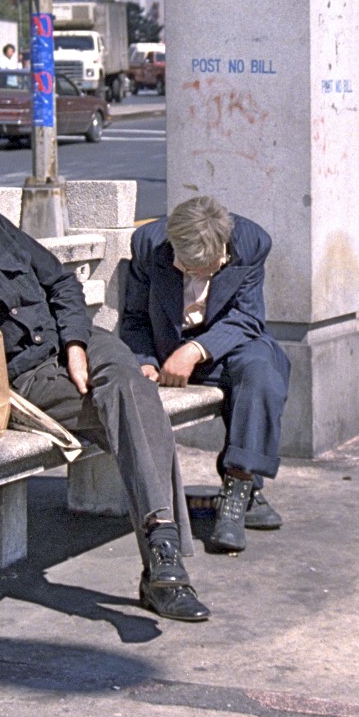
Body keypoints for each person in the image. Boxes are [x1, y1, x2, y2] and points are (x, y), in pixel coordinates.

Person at [0, 193, 210, 623]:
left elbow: (61, 283)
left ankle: (163, 553)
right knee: (138, 414)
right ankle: (165, 559)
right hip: (30, 380)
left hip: (78, 342)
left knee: (129, 386)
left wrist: (74, 344)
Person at [120, 196, 291, 555]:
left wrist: (197, 350)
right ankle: (250, 499)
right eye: (188, 268)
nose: (197, 276)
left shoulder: (251, 242)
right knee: (254, 375)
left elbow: (247, 317)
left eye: (208, 269)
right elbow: (134, 316)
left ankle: (237, 488)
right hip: (169, 348)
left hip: (228, 341)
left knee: (262, 369)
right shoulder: (149, 244)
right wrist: (144, 359)